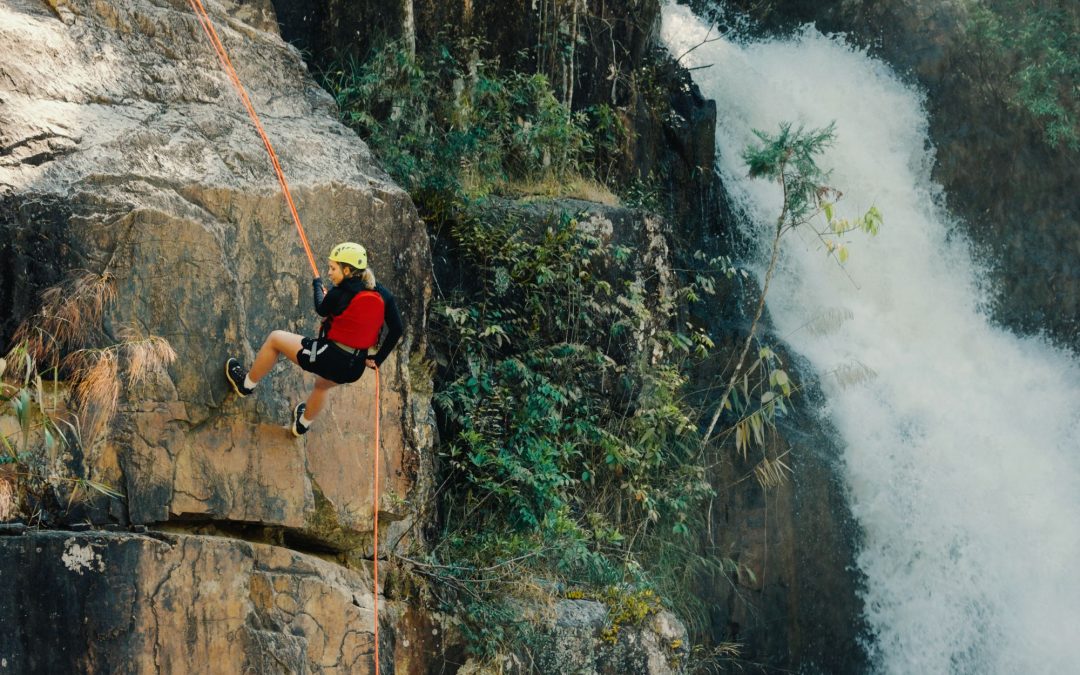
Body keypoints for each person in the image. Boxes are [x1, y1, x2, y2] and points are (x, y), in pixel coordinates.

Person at [225, 242, 403, 436]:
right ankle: (302, 425)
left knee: (275, 339)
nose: (329, 272)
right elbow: (396, 329)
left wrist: (317, 285)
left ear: (347, 270)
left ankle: (246, 385)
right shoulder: (382, 294)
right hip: (354, 367)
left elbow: (321, 308)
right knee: (322, 385)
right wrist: (378, 359)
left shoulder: (338, 292)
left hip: (328, 357)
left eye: (333, 268)